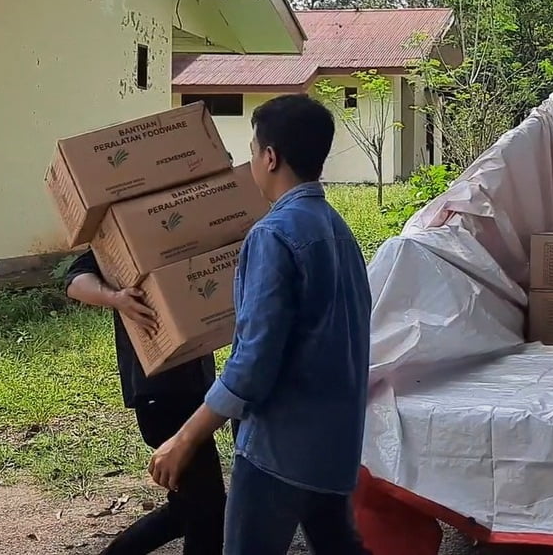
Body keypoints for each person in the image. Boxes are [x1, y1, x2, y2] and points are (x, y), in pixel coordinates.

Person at [147, 94, 373, 555]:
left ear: (270, 157)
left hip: (279, 449)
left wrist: (185, 438)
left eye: (252, 150)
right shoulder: (336, 229)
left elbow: (252, 362)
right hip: (336, 443)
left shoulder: (273, 235)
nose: (251, 160)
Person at [64, 251, 227, 554]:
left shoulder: (182, 241)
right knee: (208, 509)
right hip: (161, 396)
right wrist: (116, 298)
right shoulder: (126, 240)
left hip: (193, 390)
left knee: (188, 509)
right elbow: (75, 281)